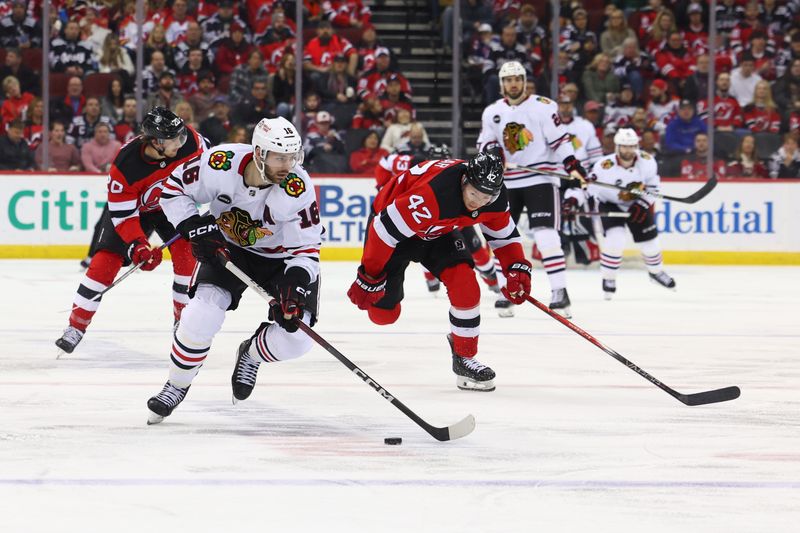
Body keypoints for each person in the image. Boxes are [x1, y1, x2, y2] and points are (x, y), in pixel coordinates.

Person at [146, 117, 321, 424]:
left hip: (282, 262)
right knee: (199, 316)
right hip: (228, 249)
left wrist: (294, 287)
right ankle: (176, 384)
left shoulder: (298, 188)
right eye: (280, 157)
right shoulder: (221, 162)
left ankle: (251, 353)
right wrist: (192, 225)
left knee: (297, 340)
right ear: (258, 154)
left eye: (292, 156)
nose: (288, 165)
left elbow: (305, 251)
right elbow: (173, 188)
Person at [347, 151, 531, 392]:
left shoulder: (493, 197)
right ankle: (385, 302)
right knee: (384, 315)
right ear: (464, 180)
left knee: (466, 283)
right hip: (395, 234)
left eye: (486, 197)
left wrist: (516, 267)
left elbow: (503, 236)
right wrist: (369, 276)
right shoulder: (434, 194)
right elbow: (383, 229)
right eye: (474, 193)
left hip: (438, 231)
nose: (478, 202)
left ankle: (464, 357)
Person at [54, 107, 205, 355]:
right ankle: (76, 326)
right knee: (104, 262)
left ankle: (183, 323)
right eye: (174, 139)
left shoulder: (190, 141)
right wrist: (138, 246)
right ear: (156, 142)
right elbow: (124, 216)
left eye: (181, 136)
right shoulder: (126, 166)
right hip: (134, 210)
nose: (181, 141)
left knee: (187, 255)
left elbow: (211, 169)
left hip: (172, 203)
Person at [476, 60, 587, 318]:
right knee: (500, 236)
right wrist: (492, 152)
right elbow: (484, 144)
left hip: (541, 179)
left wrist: (571, 163)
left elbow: (560, 141)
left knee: (546, 235)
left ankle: (560, 291)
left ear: (524, 82)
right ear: (502, 84)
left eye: (517, 79)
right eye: (508, 80)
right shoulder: (492, 112)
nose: (513, 83)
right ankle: (507, 291)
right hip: (507, 183)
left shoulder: (544, 107)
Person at [564, 128, 675, 300]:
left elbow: (653, 188)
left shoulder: (647, 161)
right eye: (624, 147)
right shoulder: (603, 166)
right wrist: (572, 201)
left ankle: (656, 272)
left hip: (637, 204)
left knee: (651, 242)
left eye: (631, 146)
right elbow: (586, 187)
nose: (628, 151)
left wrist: (642, 204)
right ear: (617, 147)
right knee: (615, 241)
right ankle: (608, 279)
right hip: (610, 204)